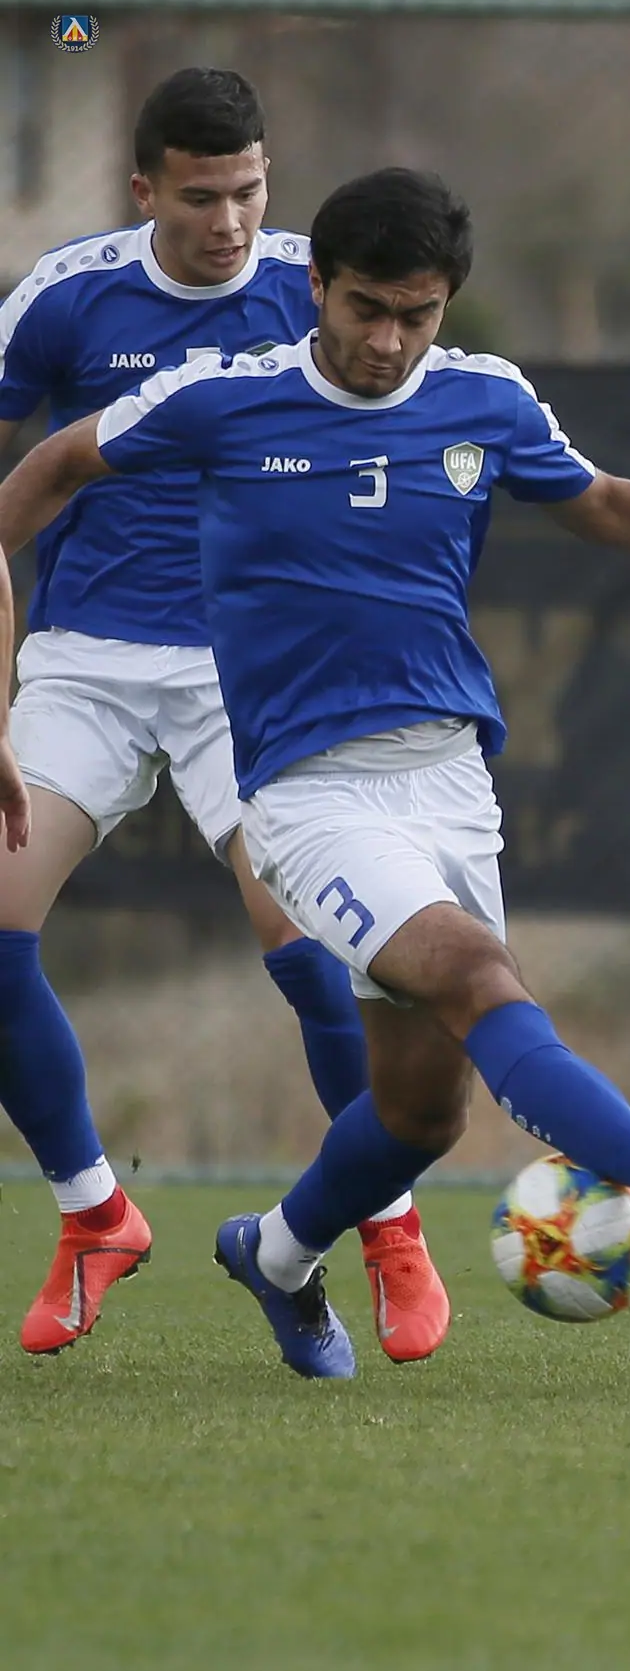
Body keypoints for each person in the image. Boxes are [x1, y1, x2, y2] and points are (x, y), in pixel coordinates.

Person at [0, 167, 630, 1378]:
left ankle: (275, 1255)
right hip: (307, 795)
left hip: (450, 780)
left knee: (419, 1113)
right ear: (316, 286)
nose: (388, 341)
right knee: (477, 974)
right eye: (366, 308)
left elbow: (604, 504)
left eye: (418, 314)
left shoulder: (483, 397)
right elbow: (53, 467)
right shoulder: (219, 399)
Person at [0, 69, 452, 1364]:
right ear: (144, 189)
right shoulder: (64, 298)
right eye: (201, 197)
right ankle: (96, 1215)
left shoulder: (320, 285)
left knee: (318, 946)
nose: (232, 222)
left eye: (250, 191)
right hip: (84, 663)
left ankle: (382, 1226)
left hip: (246, 673)